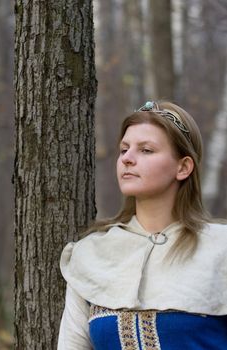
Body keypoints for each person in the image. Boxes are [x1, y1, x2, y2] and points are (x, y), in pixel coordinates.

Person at [57, 101, 227, 350]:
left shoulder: (220, 249)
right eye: (124, 149)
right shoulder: (90, 254)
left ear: (183, 167)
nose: (127, 158)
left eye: (146, 150)